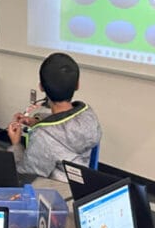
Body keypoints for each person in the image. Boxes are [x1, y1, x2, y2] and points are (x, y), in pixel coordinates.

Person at [7, 52, 102, 182]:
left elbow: (25, 176)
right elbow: (66, 122)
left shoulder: (43, 137)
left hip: (57, 192)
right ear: (77, 85)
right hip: (82, 184)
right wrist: (38, 121)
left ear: (41, 87)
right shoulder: (88, 115)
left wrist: (16, 144)